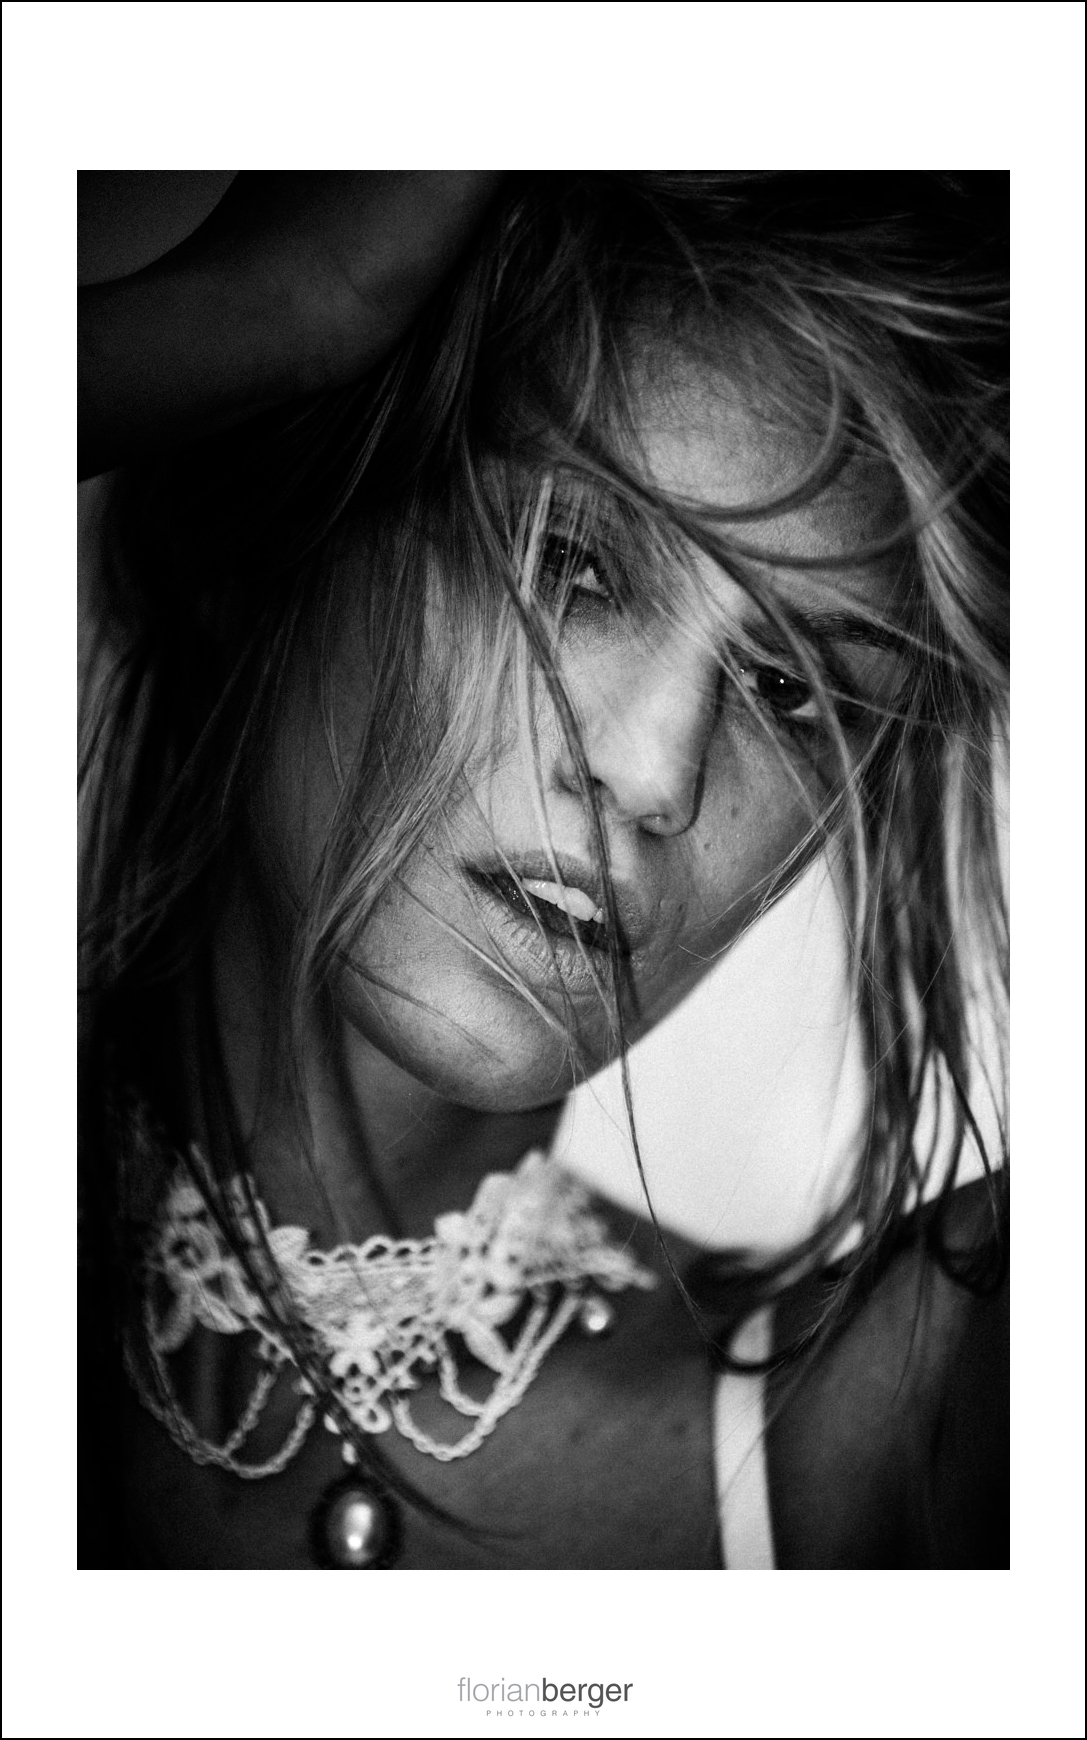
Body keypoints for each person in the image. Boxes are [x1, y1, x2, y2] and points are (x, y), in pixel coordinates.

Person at [78, 171, 1009, 1569]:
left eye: (795, 691)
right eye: (568, 561)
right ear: (275, 524)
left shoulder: (913, 1431)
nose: (655, 770)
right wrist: (264, 312)